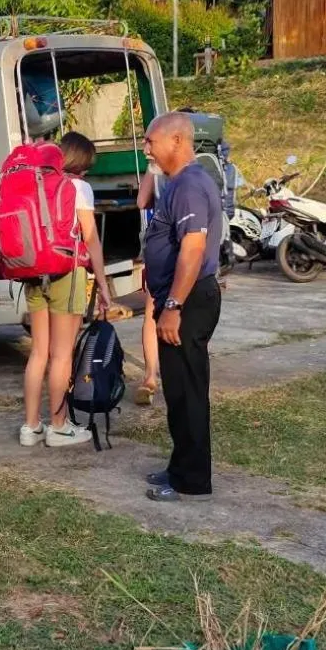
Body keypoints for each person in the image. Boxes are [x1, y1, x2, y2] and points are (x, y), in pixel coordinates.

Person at [141, 112, 223, 502]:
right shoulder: (177, 184)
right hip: (180, 300)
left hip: (188, 303)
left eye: (150, 141)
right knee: (178, 390)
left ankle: (191, 480)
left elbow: (192, 250)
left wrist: (173, 304)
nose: (146, 149)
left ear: (176, 141)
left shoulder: (190, 185)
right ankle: (181, 467)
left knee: (188, 390)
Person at [20, 131, 113, 447]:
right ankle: (58, 426)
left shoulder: (37, 182)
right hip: (67, 272)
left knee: (38, 353)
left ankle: (30, 426)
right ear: (82, 163)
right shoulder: (79, 188)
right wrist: (103, 286)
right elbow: (91, 240)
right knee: (62, 355)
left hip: (34, 272)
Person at [134, 155, 163, 407]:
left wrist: (153, 167)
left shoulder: (158, 166)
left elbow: (142, 201)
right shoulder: (201, 167)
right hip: (189, 252)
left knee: (152, 314)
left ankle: (150, 376)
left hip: (161, 250)